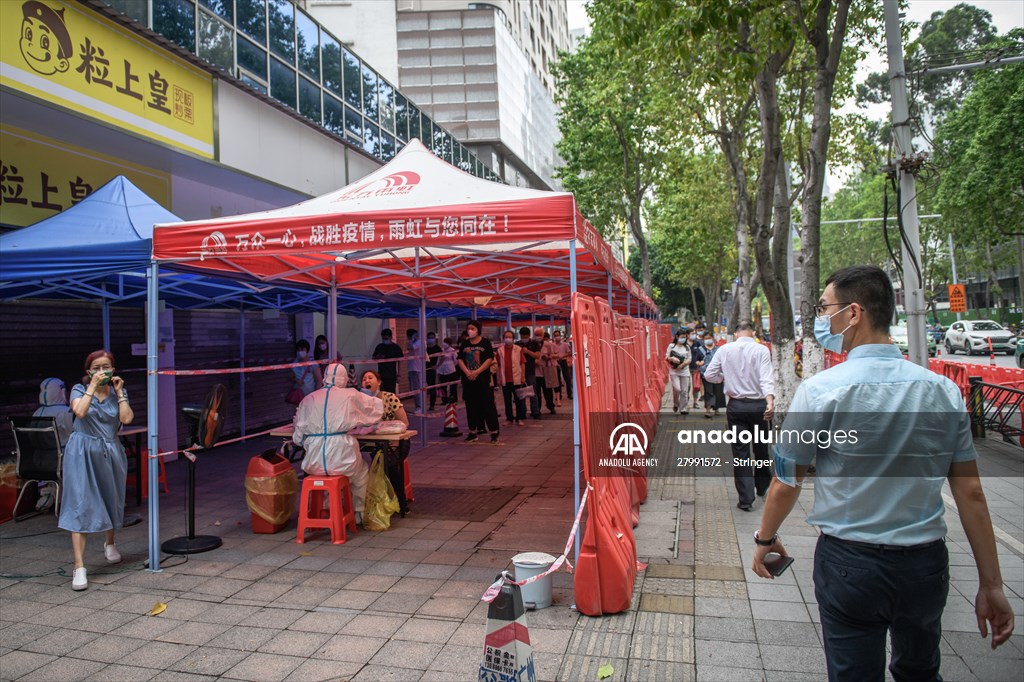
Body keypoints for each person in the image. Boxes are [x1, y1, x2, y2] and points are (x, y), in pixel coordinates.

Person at [753, 265, 1015, 680]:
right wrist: (992, 584)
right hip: (924, 565)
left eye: (825, 308)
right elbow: (972, 495)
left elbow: (787, 482)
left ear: (853, 312)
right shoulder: (942, 391)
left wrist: (764, 539)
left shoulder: (821, 391)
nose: (821, 319)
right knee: (921, 672)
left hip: (848, 564)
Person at [59, 351, 134, 591]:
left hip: (110, 450)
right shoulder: (78, 390)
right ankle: (79, 567)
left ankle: (109, 543)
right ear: (88, 371)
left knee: (111, 497)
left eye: (107, 366)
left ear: (114, 369)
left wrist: (120, 393)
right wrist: (91, 387)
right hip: (81, 451)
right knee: (79, 503)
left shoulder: (118, 393)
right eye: (96, 367)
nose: (102, 371)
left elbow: (127, 419)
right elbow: (79, 412)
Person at [293, 363, 383, 525]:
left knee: (325, 477)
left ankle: (326, 509)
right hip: (343, 455)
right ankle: (358, 514)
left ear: (325, 377)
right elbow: (375, 410)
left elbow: (297, 438)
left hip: (314, 461)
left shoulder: (309, 399)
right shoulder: (350, 395)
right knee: (360, 474)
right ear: (344, 378)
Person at [702, 321, 774, 511]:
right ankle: (762, 484)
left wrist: (724, 378)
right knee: (761, 449)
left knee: (740, 452)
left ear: (735, 333)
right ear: (753, 332)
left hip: (736, 406)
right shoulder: (762, 350)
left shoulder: (724, 350)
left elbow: (709, 374)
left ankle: (745, 498)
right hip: (759, 406)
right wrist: (770, 402)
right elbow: (767, 378)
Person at [360, 370, 411, 517]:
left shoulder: (389, 398)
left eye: (370, 378)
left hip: (398, 442)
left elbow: (404, 423)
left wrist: (393, 439)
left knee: (388, 463)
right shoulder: (362, 403)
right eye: (364, 379)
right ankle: (367, 504)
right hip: (375, 443)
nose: (367, 381)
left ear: (379, 382)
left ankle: (402, 504)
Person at [458, 321, 499, 442]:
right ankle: (472, 432)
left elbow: (489, 359)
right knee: (471, 407)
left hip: (483, 380)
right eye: (468, 328)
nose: (470, 330)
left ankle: (494, 431)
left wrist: (477, 372)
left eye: (472, 328)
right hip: (468, 381)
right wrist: (467, 372)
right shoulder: (465, 343)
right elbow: (460, 359)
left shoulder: (485, 343)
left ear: (478, 329)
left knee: (488, 406)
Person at [496, 329, 527, 425]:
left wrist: (522, 376)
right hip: (506, 379)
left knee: (519, 400)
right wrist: (498, 378)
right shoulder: (500, 350)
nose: (508, 339)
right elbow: (498, 365)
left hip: (516, 378)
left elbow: (522, 363)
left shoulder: (518, 349)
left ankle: (519, 418)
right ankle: (509, 418)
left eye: (510, 337)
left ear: (513, 338)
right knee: (507, 400)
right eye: (506, 337)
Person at [32, 377, 73, 447]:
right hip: (64, 454)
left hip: (39, 455)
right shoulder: (66, 412)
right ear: (61, 391)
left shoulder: (36, 413)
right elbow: (76, 436)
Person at [664, 328, 692, 414]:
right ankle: (676, 403)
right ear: (677, 337)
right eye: (682, 337)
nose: (683, 339)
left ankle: (683, 408)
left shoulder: (687, 347)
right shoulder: (671, 346)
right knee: (677, 388)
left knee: (684, 391)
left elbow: (690, 358)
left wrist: (683, 364)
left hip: (685, 371)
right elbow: (666, 357)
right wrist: (672, 358)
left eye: (685, 337)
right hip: (674, 371)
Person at [517, 327, 542, 419]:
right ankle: (522, 412)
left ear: (529, 335)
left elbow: (538, 355)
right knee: (521, 393)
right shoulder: (517, 344)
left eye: (526, 336)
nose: (524, 337)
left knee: (533, 392)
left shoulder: (534, 343)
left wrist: (527, 351)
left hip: (531, 371)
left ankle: (535, 411)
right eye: (523, 336)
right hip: (519, 372)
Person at [698, 331, 725, 418]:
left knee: (718, 391)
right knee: (708, 391)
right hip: (705, 373)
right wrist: (699, 363)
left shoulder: (718, 349)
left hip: (718, 373)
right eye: (706, 339)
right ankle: (708, 410)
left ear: (713, 338)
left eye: (709, 338)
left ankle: (716, 409)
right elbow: (696, 360)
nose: (708, 340)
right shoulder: (700, 349)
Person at [372, 328, 403, 394]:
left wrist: (399, 375)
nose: (385, 340)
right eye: (383, 339)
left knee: (391, 393)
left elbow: (400, 361)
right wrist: (378, 357)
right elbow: (373, 358)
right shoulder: (379, 347)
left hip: (391, 375)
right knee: (382, 393)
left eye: (386, 338)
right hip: (381, 375)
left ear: (391, 337)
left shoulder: (396, 348)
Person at [533, 327, 556, 415]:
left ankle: (551, 406)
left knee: (548, 391)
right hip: (535, 372)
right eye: (536, 335)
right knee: (537, 392)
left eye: (540, 335)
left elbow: (553, 355)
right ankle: (537, 409)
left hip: (546, 371)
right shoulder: (532, 344)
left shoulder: (548, 345)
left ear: (543, 335)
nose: (538, 337)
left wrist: (547, 357)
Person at [406, 328, 424, 414]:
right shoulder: (414, 342)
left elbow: (411, 347)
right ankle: (418, 406)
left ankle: (419, 406)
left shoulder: (419, 342)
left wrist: (412, 339)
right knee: (413, 388)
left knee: (417, 388)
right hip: (411, 368)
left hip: (416, 368)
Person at [436, 337, 459, 404]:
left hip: (451, 371)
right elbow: (439, 360)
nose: (444, 344)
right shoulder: (442, 350)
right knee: (443, 387)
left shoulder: (452, 350)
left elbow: (456, 360)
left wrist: (451, 365)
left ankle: (453, 400)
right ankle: (444, 400)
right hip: (442, 371)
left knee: (453, 387)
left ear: (449, 344)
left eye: (446, 343)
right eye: (444, 342)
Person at [552, 330, 573, 401]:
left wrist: (563, 356)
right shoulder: (552, 345)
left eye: (558, 335)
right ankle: (558, 395)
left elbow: (569, 353)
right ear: (554, 337)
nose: (557, 337)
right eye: (555, 336)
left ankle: (569, 394)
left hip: (563, 361)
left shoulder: (565, 345)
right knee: (557, 379)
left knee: (567, 378)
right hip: (556, 362)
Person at [425, 332, 442, 411]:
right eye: (429, 337)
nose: (430, 339)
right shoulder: (425, 348)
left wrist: (437, 366)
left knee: (432, 387)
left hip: (431, 370)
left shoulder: (437, 348)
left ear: (435, 338)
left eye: (432, 337)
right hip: (422, 369)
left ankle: (432, 404)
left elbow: (443, 357)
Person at [689, 330, 705, 409]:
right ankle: (685, 401)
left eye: (694, 334)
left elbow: (702, 353)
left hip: (695, 368)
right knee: (686, 387)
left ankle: (695, 402)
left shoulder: (697, 343)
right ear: (687, 335)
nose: (694, 335)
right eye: (692, 334)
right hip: (684, 368)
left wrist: (701, 361)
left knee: (696, 386)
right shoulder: (684, 344)